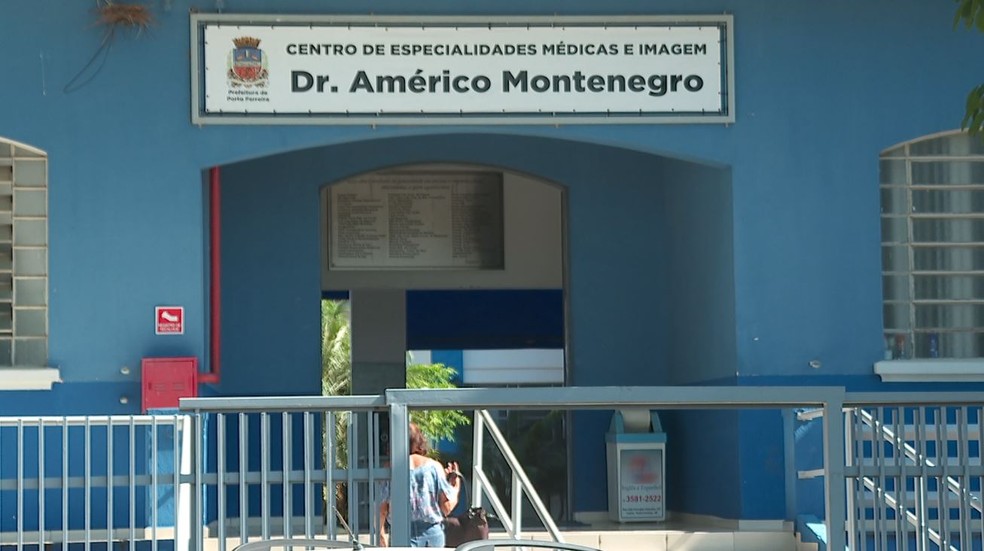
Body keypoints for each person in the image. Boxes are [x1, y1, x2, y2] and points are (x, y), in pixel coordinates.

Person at [378, 423, 462, 547]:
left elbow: (382, 509)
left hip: (400, 533)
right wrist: (455, 487)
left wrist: (381, 535)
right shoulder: (434, 467)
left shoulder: (390, 468)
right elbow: (446, 508)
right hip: (431, 534)